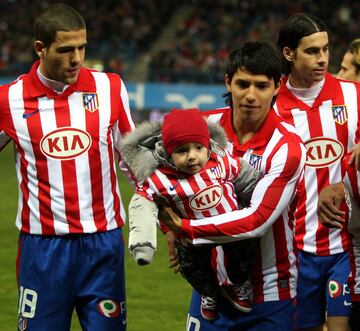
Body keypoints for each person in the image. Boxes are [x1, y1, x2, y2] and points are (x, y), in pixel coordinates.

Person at [0, 4, 134, 330]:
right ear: (40, 49)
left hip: (103, 245)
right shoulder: (9, 100)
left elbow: (133, 158)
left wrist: (165, 208)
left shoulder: (110, 88)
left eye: (82, 47)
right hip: (43, 247)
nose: (77, 58)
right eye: (65, 50)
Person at [161, 40, 306, 331]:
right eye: (243, 84)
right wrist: (168, 229)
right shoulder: (201, 128)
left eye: (261, 86)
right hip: (210, 292)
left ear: (277, 86)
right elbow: (159, 176)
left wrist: (185, 229)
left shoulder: (287, 147)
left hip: (269, 293)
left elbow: (256, 220)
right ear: (228, 82)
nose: (250, 95)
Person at [120, 108, 260, 321]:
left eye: (198, 148)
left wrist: (265, 201)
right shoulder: (160, 180)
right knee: (191, 268)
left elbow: (248, 180)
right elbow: (141, 205)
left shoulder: (221, 161)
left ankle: (239, 284)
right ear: (168, 153)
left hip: (229, 228)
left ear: (208, 146)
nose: (192, 157)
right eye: (182, 151)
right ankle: (209, 293)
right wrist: (142, 243)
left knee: (243, 255)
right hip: (193, 236)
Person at [274, 12, 360, 331]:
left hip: (347, 248)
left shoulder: (352, 95)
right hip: (294, 251)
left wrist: (342, 187)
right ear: (288, 54)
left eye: (325, 49)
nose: (322, 58)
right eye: (312, 51)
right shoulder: (271, 106)